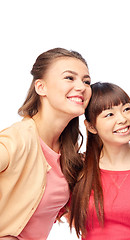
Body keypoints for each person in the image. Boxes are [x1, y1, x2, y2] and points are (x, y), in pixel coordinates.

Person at [0, 48, 92, 239]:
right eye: (69, 78)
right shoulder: (17, 140)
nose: (81, 87)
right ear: (41, 87)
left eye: (86, 81)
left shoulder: (68, 151)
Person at [69, 82, 130, 240]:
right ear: (91, 126)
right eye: (109, 114)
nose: (123, 119)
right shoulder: (78, 167)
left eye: (126, 109)